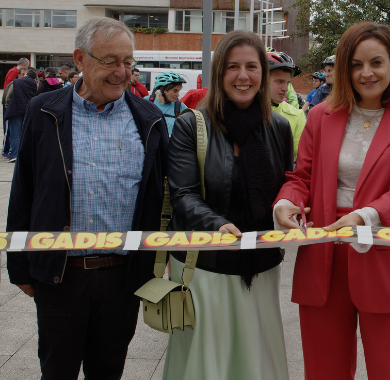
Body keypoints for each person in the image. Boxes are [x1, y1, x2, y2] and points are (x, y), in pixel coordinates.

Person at [6, 17, 168, 380]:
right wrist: (19, 266)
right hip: (60, 275)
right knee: (57, 371)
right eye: (110, 61)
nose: (121, 72)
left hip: (122, 278)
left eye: (128, 62)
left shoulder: (149, 119)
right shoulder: (44, 111)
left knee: (108, 371)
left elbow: (164, 195)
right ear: (80, 59)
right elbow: (24, 190)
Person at [274, 22, 390, 379]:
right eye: (356, 64)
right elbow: (301, 178)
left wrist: (363, 217)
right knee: (323, 369)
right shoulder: (320, 116)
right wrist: (285, 203)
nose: (366, 73)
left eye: (376, 62)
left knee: (388, 370)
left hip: (378, 252)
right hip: (323, 255)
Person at [163, 30, 293, 380]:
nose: (243, 76)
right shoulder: (192, 124)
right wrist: (216, 224)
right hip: (206, 265)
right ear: (219, 73)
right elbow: (183, 193)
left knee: (256, 357)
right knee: (209, 359)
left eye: (252, 66)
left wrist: (290, 207)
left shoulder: (279, 127)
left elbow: (289, 187)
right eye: (233, 66)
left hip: (261, 267)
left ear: (262, 74)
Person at [268, 51, 306, 159]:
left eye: (288, 83)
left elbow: (301, 159)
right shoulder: (244, 108)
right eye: (280, 81)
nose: (285, 88)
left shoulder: (296, 115)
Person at [4, 69, 38, 163]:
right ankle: (25, 155)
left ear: (26, 74)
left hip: (15, 110)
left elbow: (8, 96)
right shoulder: (35, 84)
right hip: (28, 111)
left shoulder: (16, 82)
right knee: (26, 133)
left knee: (15, 134)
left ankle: (14, 155)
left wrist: (7, 106)